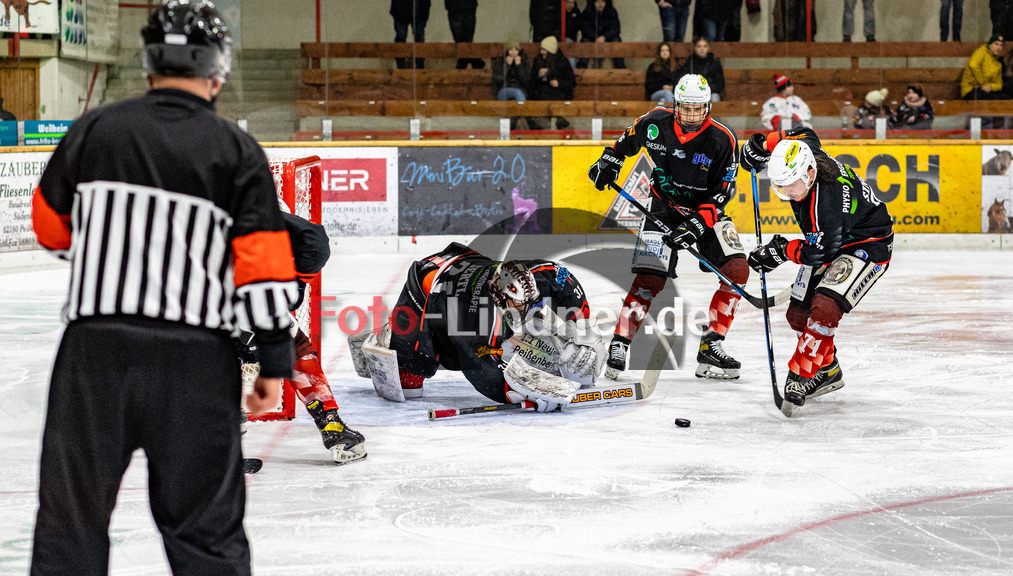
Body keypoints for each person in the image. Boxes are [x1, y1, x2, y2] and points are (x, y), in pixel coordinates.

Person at [29, 1, 296, 574]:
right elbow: (264, 268)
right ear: (218, 70)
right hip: (195, 364)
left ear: (149, 63)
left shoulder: (95, 127)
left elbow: (50, 228)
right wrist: (274, 363)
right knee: (205, 533)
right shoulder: (236, 151)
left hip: (95, 356)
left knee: (70, 526)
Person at [588, 74, 748, 381]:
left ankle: (712, 344)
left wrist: (699, 223)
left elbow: (723, 191)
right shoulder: (655, 122)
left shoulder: (723, 139)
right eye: (685, 108)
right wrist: (608, 162)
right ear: (674, 106)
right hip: (663, 208)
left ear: (708, 107)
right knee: (649, 279)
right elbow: (624, 143)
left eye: (697, 109)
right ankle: (620, 343)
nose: (690, 115)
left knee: (737, 271)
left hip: (705, 214)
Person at [739, 127, 894, 414]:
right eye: (781, 186)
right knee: (797, 315)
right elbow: (802, 132)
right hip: (830, 237)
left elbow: (820, 253)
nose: (787, 193)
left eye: (792, 185)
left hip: (868, 244)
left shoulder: (827, 204)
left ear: (810, 174)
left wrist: (781, 251)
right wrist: (763, 144)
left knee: (824, 308)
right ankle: (828, 370)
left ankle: (803, 372)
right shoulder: (806, 150)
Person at [350, 243, 605, 412]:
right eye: (516, 307)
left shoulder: (533, 276)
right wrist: (522, 395)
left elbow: (562, 277)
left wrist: (585, 330)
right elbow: (481, 374)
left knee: (512, 330)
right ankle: (393, 334)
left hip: (464, 264)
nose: (523, 311)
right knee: (411, 381)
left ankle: (496, 343)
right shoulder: (473, 318)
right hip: (426, 288)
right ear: (499, 299)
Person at [239, 208, 367, 465]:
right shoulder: (255, 205)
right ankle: (331, 425)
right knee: (293, 346)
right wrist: (297, 282)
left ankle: (222, 436)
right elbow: (315, 239)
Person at [528, 36, 576, 129]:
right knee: (543, 93)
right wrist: (538, 77)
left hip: (559, 92)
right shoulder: (538, 61)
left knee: (555, 96)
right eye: (541, 49)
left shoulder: (562, 62)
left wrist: (559, 83)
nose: (542, 52)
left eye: (544, 50)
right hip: (542, 92)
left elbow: (571, 82)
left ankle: (558, 118)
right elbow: (531, 83)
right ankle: (559, 117)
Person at [578, 0, 626, 69]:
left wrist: (604, 37)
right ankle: (581, 67)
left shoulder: (612, 11)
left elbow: (616, 29)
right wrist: (596, 37)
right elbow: (585, 29)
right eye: (597, 2)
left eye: (603, 2)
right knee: (585, 41)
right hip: (592, 39)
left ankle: (620, 67)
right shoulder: (587, 12)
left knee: (617, 40)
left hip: (607, 39)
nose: (600, 4)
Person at [677, 37, 724, 101]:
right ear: (695, 48)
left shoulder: (714, 64)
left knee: (714, 97)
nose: (702, 49)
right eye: (699, 46)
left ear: (708, 48)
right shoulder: (689, 63)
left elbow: (720, 84)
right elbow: (683, 79)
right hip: (692, 93)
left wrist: (705, 89)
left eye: (704, 46)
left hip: (709, 92)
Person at [962, 35, 1006, 100]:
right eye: (996, 44)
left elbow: (999, 84)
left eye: (1001, 45)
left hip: (986, 91)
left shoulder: (998, 64)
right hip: (971, 90)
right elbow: (973, 65)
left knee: (1006, 99)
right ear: (990, 45)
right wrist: (982, 83)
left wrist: (991, 87)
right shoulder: (981, 52)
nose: (998, 47)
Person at [390, 0, 430, 69]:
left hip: (418, 10)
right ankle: (402, 66)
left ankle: (419, 66)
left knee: (417, 37)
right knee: (402, 37)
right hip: (404, 10)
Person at [445, 0, 484, 69]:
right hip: (466, 6)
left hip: (456, 7)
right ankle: (473, 61)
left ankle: (467, 61)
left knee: (461, 40)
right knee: (465, 40)